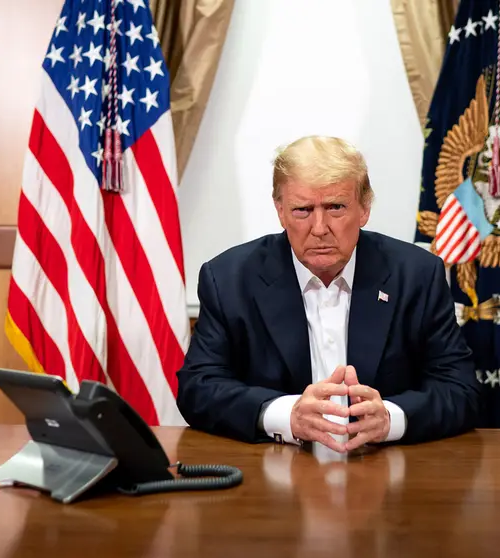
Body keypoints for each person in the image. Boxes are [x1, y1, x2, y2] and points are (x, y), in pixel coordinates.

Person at [176, 136, 480, 453]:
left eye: (335, 207)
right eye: (302, 210)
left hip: (384, 474)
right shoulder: (229, 279)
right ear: (280, 211)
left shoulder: (417, 275)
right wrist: (285, 415)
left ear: (364, 208)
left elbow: (459, 390)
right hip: (276, 477)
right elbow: (198, 388)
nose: (319, 227)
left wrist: (389, 418)